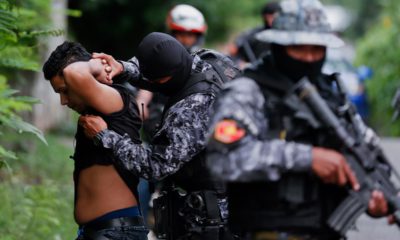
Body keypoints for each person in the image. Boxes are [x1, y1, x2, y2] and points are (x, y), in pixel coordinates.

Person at [206, 0, 390, 239]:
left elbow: (367, 151)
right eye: (298, 48)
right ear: (277, 46)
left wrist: (375, 198)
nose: (309, 58)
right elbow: (223, 160)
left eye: (317, 49)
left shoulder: (331, 95)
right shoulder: (248, 91)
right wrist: (308, 158)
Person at [79, 32, 240, 239]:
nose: (153, 84)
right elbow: (152, 69)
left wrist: (104, 136)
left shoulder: (192, 108)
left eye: (157, 80)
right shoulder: (207, 59)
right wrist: (123, 67)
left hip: (213, 214)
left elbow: (156, 167)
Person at [42, 41, 148, 240]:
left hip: (117, 232)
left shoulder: (116, 98)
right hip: (99, 231)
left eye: (65, 90)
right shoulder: (97, 108)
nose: (63, 101)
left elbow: (75, 73)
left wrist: (96, 64)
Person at [230, 1, 280, 67]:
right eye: (269, 17)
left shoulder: (285, 34)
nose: (271, 20)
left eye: (274, 17)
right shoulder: (256, 33)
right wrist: (241, 63)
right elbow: (233, 49)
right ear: (265, 17)